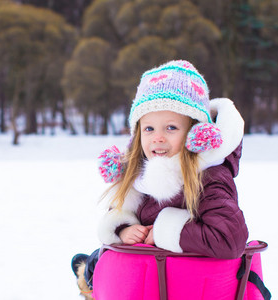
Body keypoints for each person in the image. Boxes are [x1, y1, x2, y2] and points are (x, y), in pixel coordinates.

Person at [71, 59, 249, 298]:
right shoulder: (142, 174)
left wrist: (167, 230)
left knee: (101, 260)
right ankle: (91, 272)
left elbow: (229, 238)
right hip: (152, 280)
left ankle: (90, 274)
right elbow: (121, 209)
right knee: (101, 256)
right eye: (149, 129)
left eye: (171, 128)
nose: (158, 138)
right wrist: (124, 228)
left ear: (196, 133)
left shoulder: (209, 178)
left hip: (184, 284)